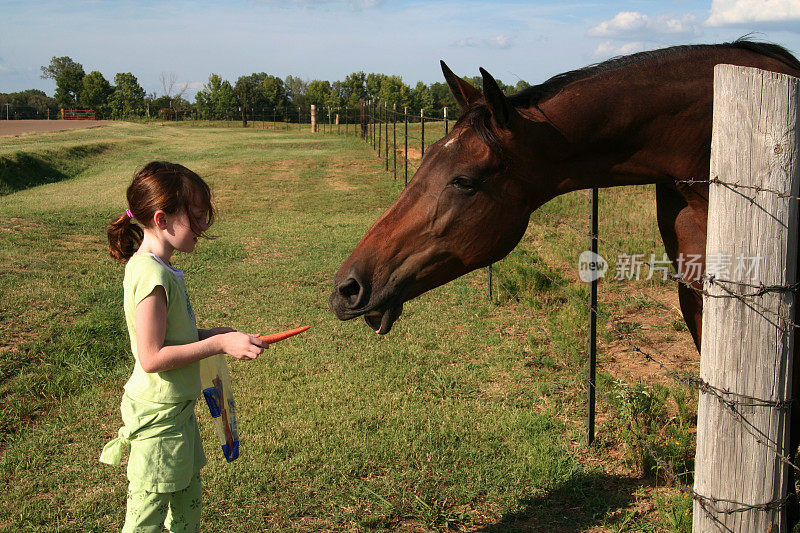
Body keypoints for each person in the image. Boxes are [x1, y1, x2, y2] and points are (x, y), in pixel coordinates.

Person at [101, 161, 267, 532]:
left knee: (188, 508)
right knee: (146, 519)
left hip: (178, 413)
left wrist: (212, 334)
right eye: (196, 216)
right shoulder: (150, 275)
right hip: (158, 422)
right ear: (162, 219)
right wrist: (219, 343)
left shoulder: (162, 267)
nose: (204, 227)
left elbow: (173, 338)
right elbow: (152, 357)